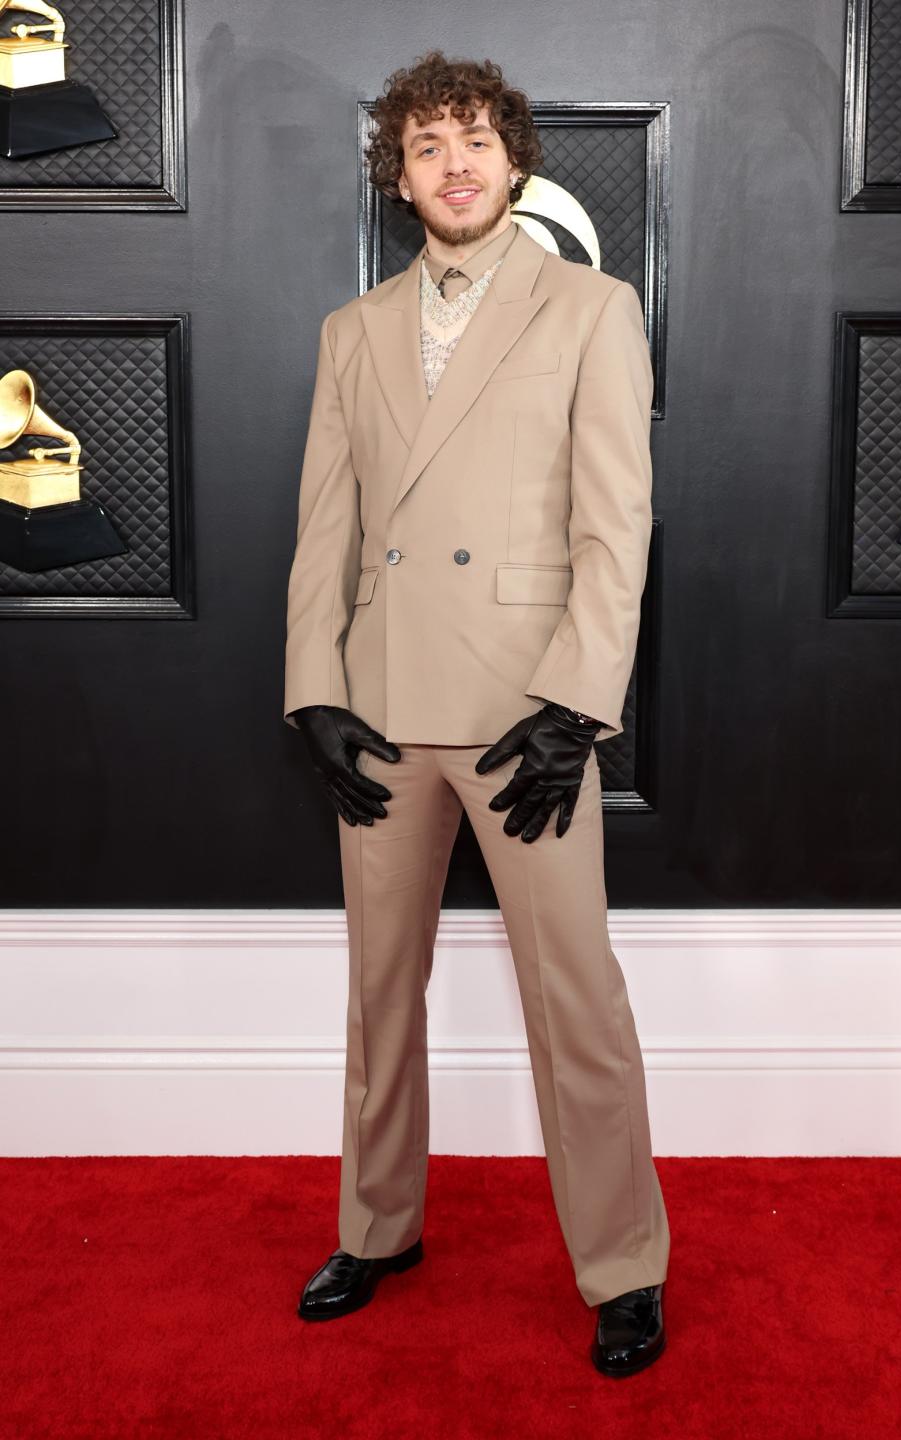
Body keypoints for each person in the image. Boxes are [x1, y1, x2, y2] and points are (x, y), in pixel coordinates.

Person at [283, 49, 669, 1377]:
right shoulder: (354, 331)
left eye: (476, 141)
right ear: (400, 177)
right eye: (428, 146)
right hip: (383, 709)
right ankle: (378, 1227)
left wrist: (575, 704)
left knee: (577, 995)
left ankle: (623, 1264)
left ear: (514, 160)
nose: (456, 166)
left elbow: (616, 526)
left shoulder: (591, 308)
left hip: (525, 719)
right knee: (378, 991)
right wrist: (314, 693)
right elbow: (322, 529)